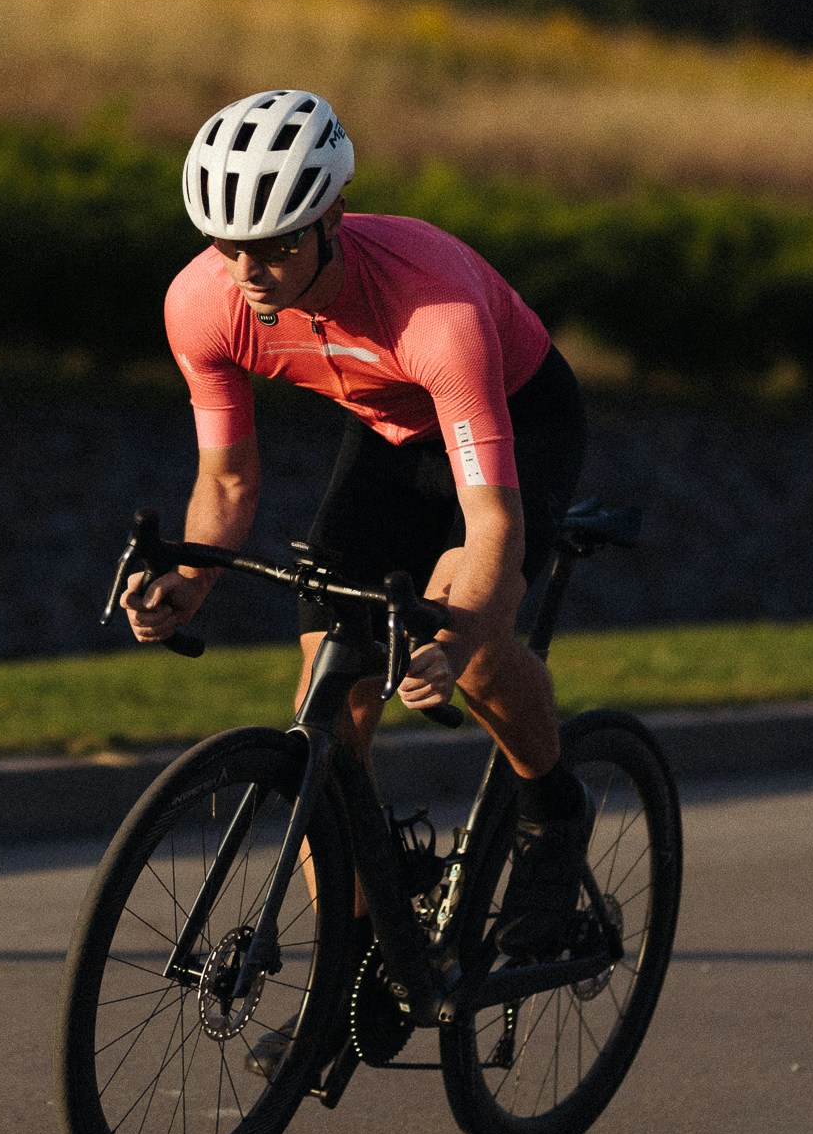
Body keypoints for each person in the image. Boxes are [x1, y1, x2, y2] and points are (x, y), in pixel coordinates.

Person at [121, 86, 592, 959]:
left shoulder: (434, 311)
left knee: (466, 634)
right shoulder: (201, 304)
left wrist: (457, 638)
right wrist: (188, 580)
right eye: (227, 245)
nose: (249, 270)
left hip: (517, 418)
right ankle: (360, 956)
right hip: (388, 431)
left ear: (332, 216)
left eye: (276, 246)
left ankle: (552, 806)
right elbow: (227, 479)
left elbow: (492, 525)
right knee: (327, 701)